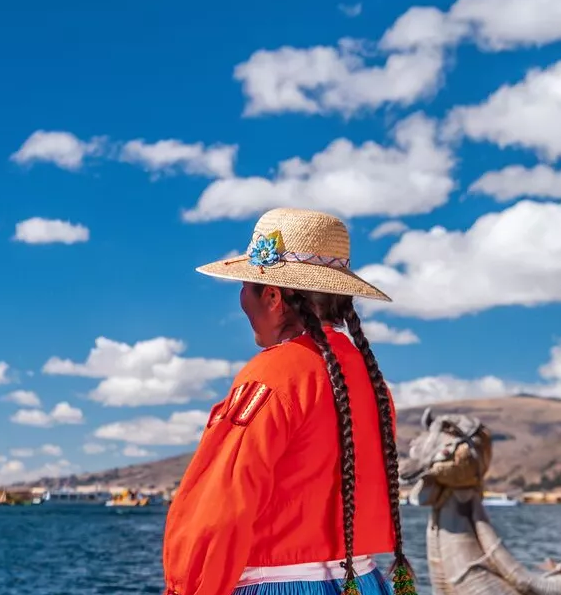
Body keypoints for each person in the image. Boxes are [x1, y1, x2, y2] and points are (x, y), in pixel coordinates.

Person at [163, 208, 418, 595]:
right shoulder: (369, 380)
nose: (241, 300)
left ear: (272, 296)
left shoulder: (274, 375)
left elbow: (218, 513)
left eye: (244, 286)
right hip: (362, 582)